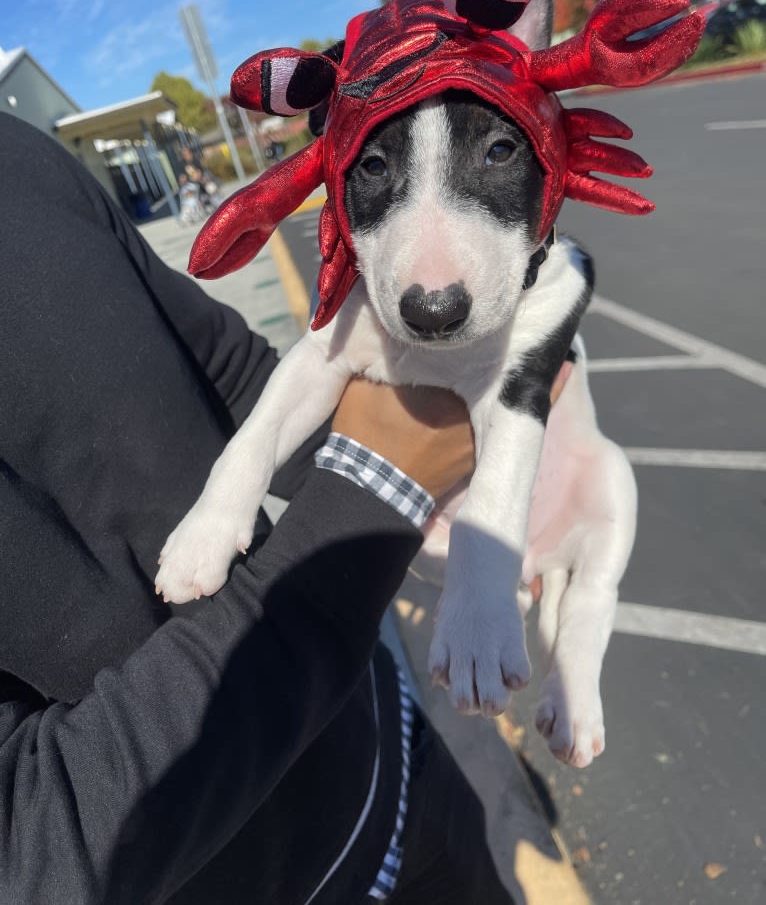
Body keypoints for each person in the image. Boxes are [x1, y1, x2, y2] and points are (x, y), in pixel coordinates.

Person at [0, 113, 566, 904]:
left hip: (398, 758)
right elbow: (28, 849)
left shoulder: (16, 153)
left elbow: (218, 357)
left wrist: (458, 508)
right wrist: (377, 484)